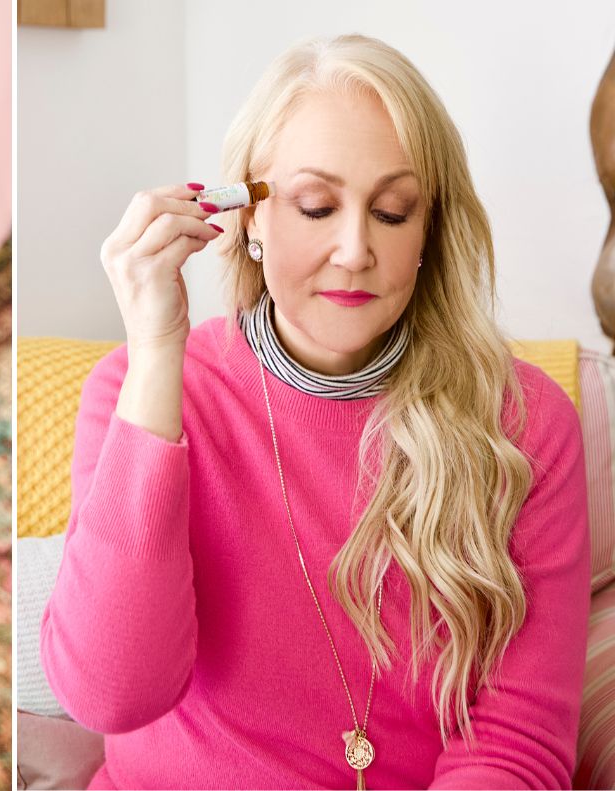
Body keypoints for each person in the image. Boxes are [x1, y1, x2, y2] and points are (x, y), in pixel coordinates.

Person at [40, 34, 590, 789]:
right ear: (250, 217)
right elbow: (112, 693)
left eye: (393, 212)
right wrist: (156, 353)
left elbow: (515, 744)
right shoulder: (139, 390)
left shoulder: (525, 425)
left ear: (430, 231)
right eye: (316, 205)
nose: (355, 248)